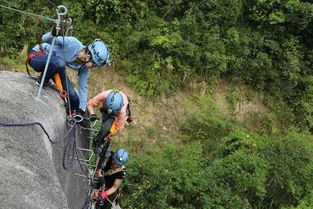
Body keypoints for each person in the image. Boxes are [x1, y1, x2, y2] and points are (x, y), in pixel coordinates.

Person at [28, 27, 110, 116]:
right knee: (60, 62)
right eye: (94, 65)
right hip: (38, 57)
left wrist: (82, 109)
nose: (93, 68)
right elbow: (45, 39)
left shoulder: (84, 67)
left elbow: (83, 87)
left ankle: (72, 116)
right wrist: (53, 34)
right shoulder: (73, 43)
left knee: (73, 96)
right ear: (88, 56)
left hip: (55, 68)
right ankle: (42, 81)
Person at [87, 90, 132, 157]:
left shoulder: (122, 110)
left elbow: (119, 126)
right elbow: (90, 104)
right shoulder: (105, 95)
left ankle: (98, 142)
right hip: (106, 109)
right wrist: (92, 114)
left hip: (118, 114)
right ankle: (99, 140)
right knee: (104, 127)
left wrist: (111, 134)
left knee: (106, 128)